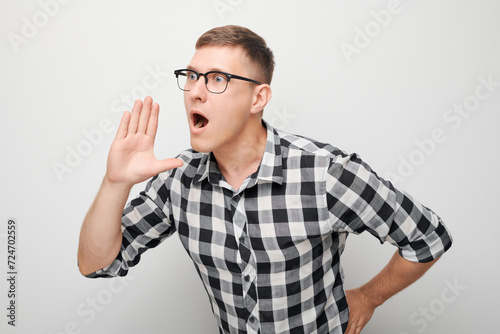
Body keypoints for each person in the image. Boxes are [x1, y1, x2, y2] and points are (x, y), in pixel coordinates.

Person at [77, 25, 452, 334]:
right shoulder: (178, 180)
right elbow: (97, 265)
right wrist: (115, 184)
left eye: (217, 79)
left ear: (259, 98)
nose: (195, 91)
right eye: (191, 77)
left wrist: (370, 297)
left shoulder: (325, 175)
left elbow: (428, 237)